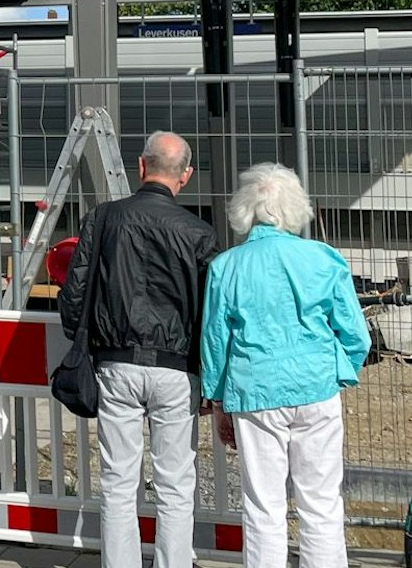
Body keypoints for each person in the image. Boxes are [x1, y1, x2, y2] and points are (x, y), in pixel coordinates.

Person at [200, 162, 370, 568]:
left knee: (263, 508)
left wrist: (218, 399)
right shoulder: (324, 259)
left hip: (255, 392)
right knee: (322, 502)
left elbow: (215, 342)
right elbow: (356, 335)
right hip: (316, 388)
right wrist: (338, 371)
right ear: (295, 206)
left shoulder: (226, 267)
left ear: (246, 209)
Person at [59, 131, 216, 568]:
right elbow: (212, 314)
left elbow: (74, 295)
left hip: (115, 363)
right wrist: (210, 374)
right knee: (175, 484)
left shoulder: (103, 219)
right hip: (177, 369)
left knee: (118, 481)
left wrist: (85, 344)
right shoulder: (199, 234)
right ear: (185, 176)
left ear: (141, 167)